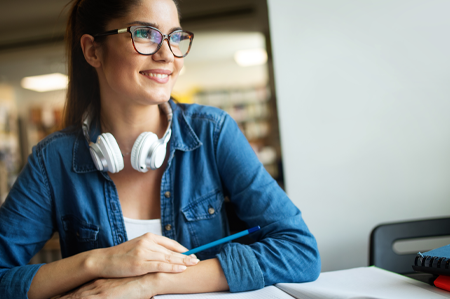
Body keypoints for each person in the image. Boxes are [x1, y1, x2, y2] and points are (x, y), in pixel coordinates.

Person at [0, 0, 321, 298]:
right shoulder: (52, 161)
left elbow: (300, 252)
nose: (168, 54)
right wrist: (99, 262)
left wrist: (150, 282)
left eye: (175, 37)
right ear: (93, 50)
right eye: (145, 33)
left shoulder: (212, 132)